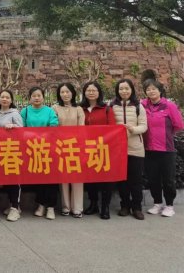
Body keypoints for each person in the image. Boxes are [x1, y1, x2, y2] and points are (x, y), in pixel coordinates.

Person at [141, 78, 184, 217]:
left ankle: (169, 205)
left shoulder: (169, 106)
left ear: (160, 90)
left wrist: (166, 135)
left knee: (168, 179)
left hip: (166, 150)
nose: (151, 91)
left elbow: (179, 125)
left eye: (154, 89)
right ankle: (157, 203)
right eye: (148, 89)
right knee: (153, 178)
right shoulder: (143, 106)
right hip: (149, 149)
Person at [111, 79, 147, 220]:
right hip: (118, 149)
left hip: (136, 148)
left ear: (131, 90)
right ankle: (125, 205)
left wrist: (133, 129)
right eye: (121, 89)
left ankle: (137, 207)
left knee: (136, 180)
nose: (124, 91)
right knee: (122, 180)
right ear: (117, 91)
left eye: (127, 88)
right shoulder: (112, 106)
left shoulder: (138, 106)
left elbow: (144, 126)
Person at [21, 86, 59, 220]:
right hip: (32, 149)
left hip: (48, 148)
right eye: (34, 96)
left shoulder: (49, 111)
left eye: (39, 95)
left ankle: (51, 207)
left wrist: (41, 136)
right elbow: (21, 129)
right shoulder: (25, 111)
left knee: (52, 178)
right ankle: (41, 205)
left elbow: (54, 126)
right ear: (30, 98)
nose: (36, 98)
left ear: (43, 97)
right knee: (40, 178)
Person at [81, 80, 116, 219]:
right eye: (88, 90)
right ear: (84, 93)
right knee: (91, 178)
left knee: (106, 179)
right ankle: (93, 203)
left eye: (94, 90)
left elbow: (112, 129)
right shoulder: (81, 109)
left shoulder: (106, 109)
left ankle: (105, 206)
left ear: (99, 93)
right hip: (87, 149)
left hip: (103, 148)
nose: (91, 93)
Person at [52, 82, 85, 218]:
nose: (65, 94)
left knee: (77, 177)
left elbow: (81, 128)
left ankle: (77, 208)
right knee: (63, 177)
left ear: (73, 93)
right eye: (62, 92)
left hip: (75, 146)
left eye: (68, 92)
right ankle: (65, 206)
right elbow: (53, 126)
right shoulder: (55, 108)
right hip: (60, 146)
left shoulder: (79, 109)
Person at [0, 89, 23, 222]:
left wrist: (14, 126)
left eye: (7, 97)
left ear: (11, 100)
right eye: (2, 97)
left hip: (13, 149)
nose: (4, 99)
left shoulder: (15, 113)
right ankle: (12, 204)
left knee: (14, 179)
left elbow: (21, 130)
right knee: (6, 179)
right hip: (0, 149)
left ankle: (16, 208)